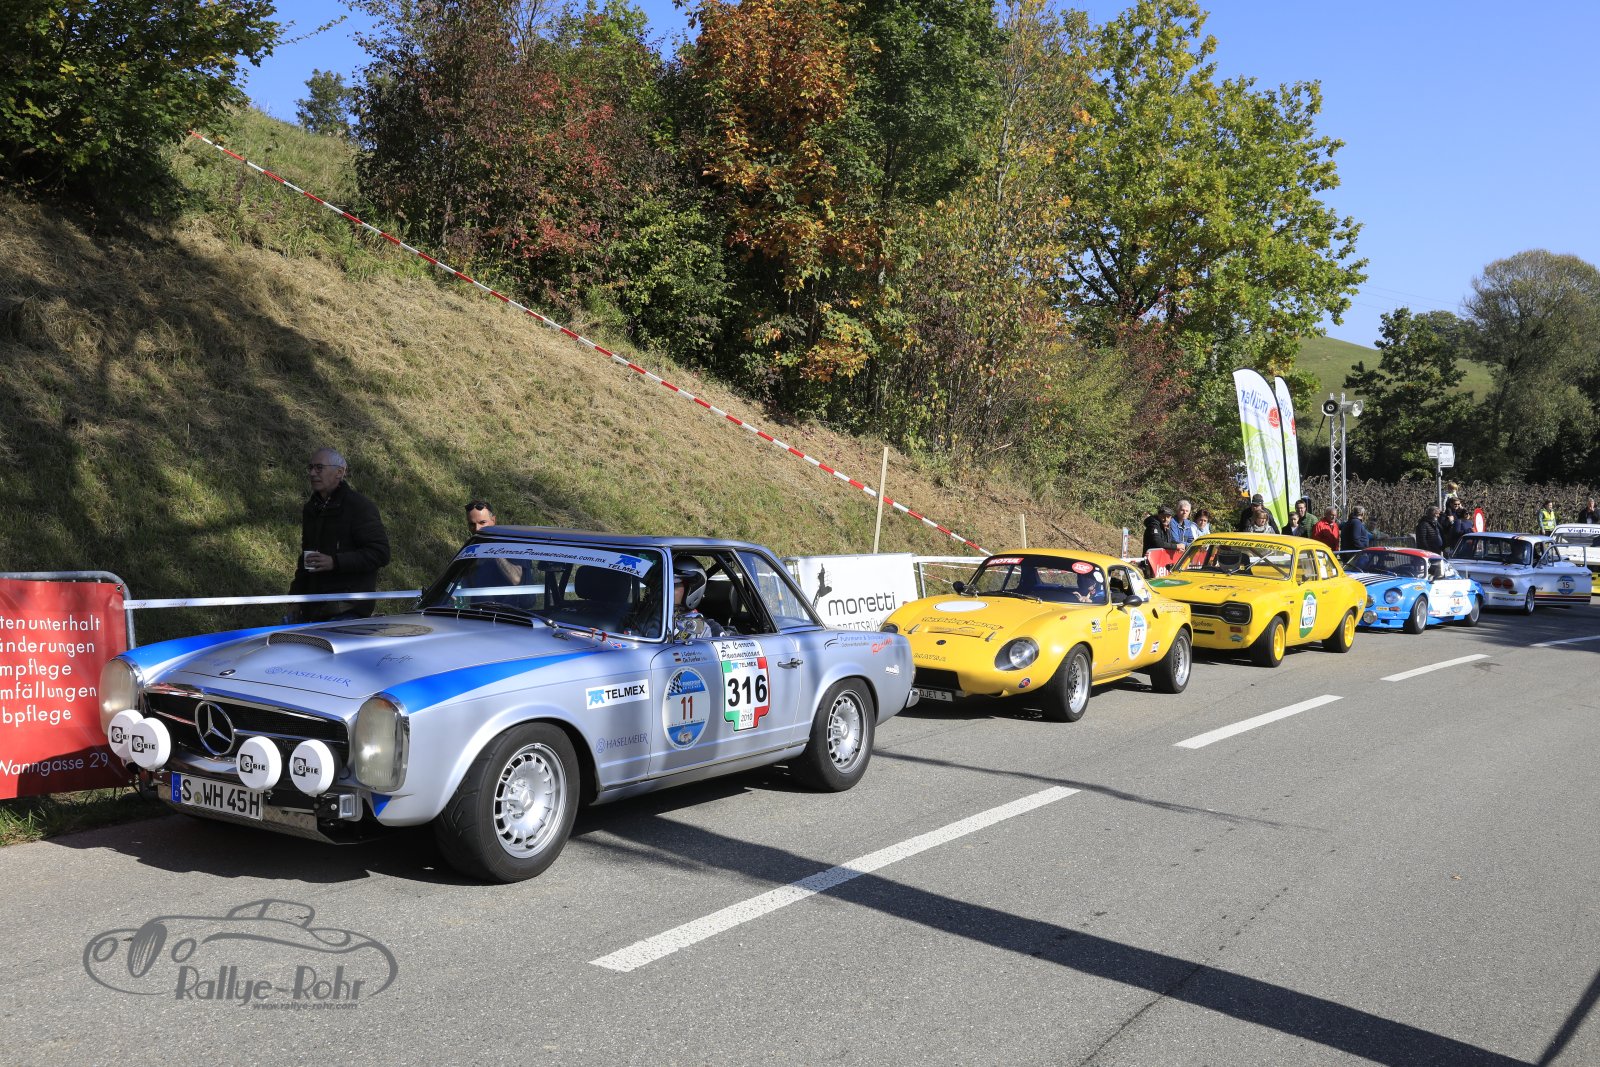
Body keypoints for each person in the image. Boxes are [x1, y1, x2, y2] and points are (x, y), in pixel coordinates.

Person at [289, 447, 391, 623]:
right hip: (313, 608)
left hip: (348, 609)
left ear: (339, 472)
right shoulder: (311, 508)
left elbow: (380, 553)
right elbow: (306, 558)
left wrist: (335, 562)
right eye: (311, 467)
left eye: (319, 468)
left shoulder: (359, 507)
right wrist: (295, 597)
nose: (312, 473)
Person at [462, 500, 525, 586]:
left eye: (482, 522)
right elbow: (463, 581)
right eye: (472, 524)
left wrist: (493, 550)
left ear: (493, 520)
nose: (477, 529)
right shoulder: (471, 547)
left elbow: (516, 579)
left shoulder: (513, 543)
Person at [670, 557, 729, 639]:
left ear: (693, 588)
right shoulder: (657, 615)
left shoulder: (709, 631)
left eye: (673, 583)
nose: (664, 589)